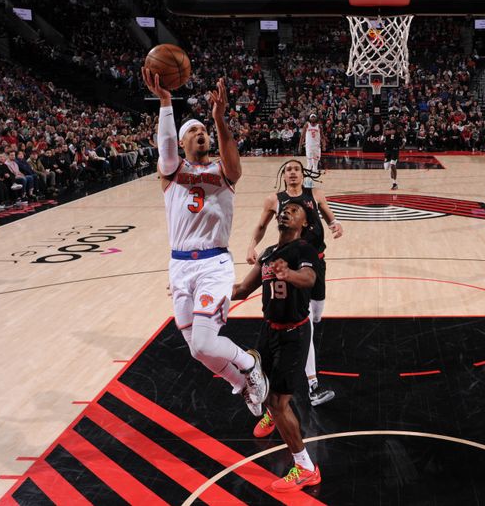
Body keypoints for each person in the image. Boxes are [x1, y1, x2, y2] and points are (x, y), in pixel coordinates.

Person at [143, 67, 268, 416]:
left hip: (213, 263)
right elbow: (165, 149)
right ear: (182, 143)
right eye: (193, 131)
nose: (200, 134)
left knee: (203, 340)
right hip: (180, 266)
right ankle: (241, 384)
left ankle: (249, 362)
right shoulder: (170, 171)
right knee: (198, 350)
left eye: (203, 131)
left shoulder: (222, 172)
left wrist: (219, 119)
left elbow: (236, 167)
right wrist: (166, 104)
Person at [246, 159, 344, 436]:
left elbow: (328, 215)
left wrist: (336, 224)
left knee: (314, 319)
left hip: (315, 265)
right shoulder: (273, 201)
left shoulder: (315, 195)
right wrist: (252, 245)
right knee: (305, 327)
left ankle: (293, 388)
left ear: (302, 174)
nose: (292, 173)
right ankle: (312, 387)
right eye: (288, 169)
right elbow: (261, 226)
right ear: (283, 175)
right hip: (288, 271)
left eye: (296, 169)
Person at [232, 200, 323, 492]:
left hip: (293, 335)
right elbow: (243, 289)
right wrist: (198, 294)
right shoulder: (270, 253)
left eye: (295, 211)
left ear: (304, 224)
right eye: (285, 210)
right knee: (264, 387)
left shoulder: (305, 250)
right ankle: (272, 413)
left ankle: (306, 467)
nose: (286, 212)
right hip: (268, 331)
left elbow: (309, 279)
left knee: (278, 402)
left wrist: (289, 275)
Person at [298, 113, 325, 188]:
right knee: (309, 164)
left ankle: (311, 182)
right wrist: (300, 146)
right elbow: (302, 136)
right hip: (309, 146)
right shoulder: (307, 125)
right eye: (311, 117)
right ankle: (307, 182)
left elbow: (322, 136)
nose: (313, 118)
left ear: (316, 118)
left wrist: (324, 145)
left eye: (314, 117)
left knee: (315, 166)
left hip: (316, 147)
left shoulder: (319, 126)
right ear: (309, 118)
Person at [383, 120, 403, 190]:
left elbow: (403, 136)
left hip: (395, 150)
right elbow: (383, 136)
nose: (390, 125)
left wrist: (402, 145)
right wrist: (383, 137)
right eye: (389, 124)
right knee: (386, 167)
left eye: (391, 124)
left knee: (392, 165)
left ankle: (395, 184)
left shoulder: (398, 129)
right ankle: (392, 169)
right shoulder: (386, 130)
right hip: (388, 150)